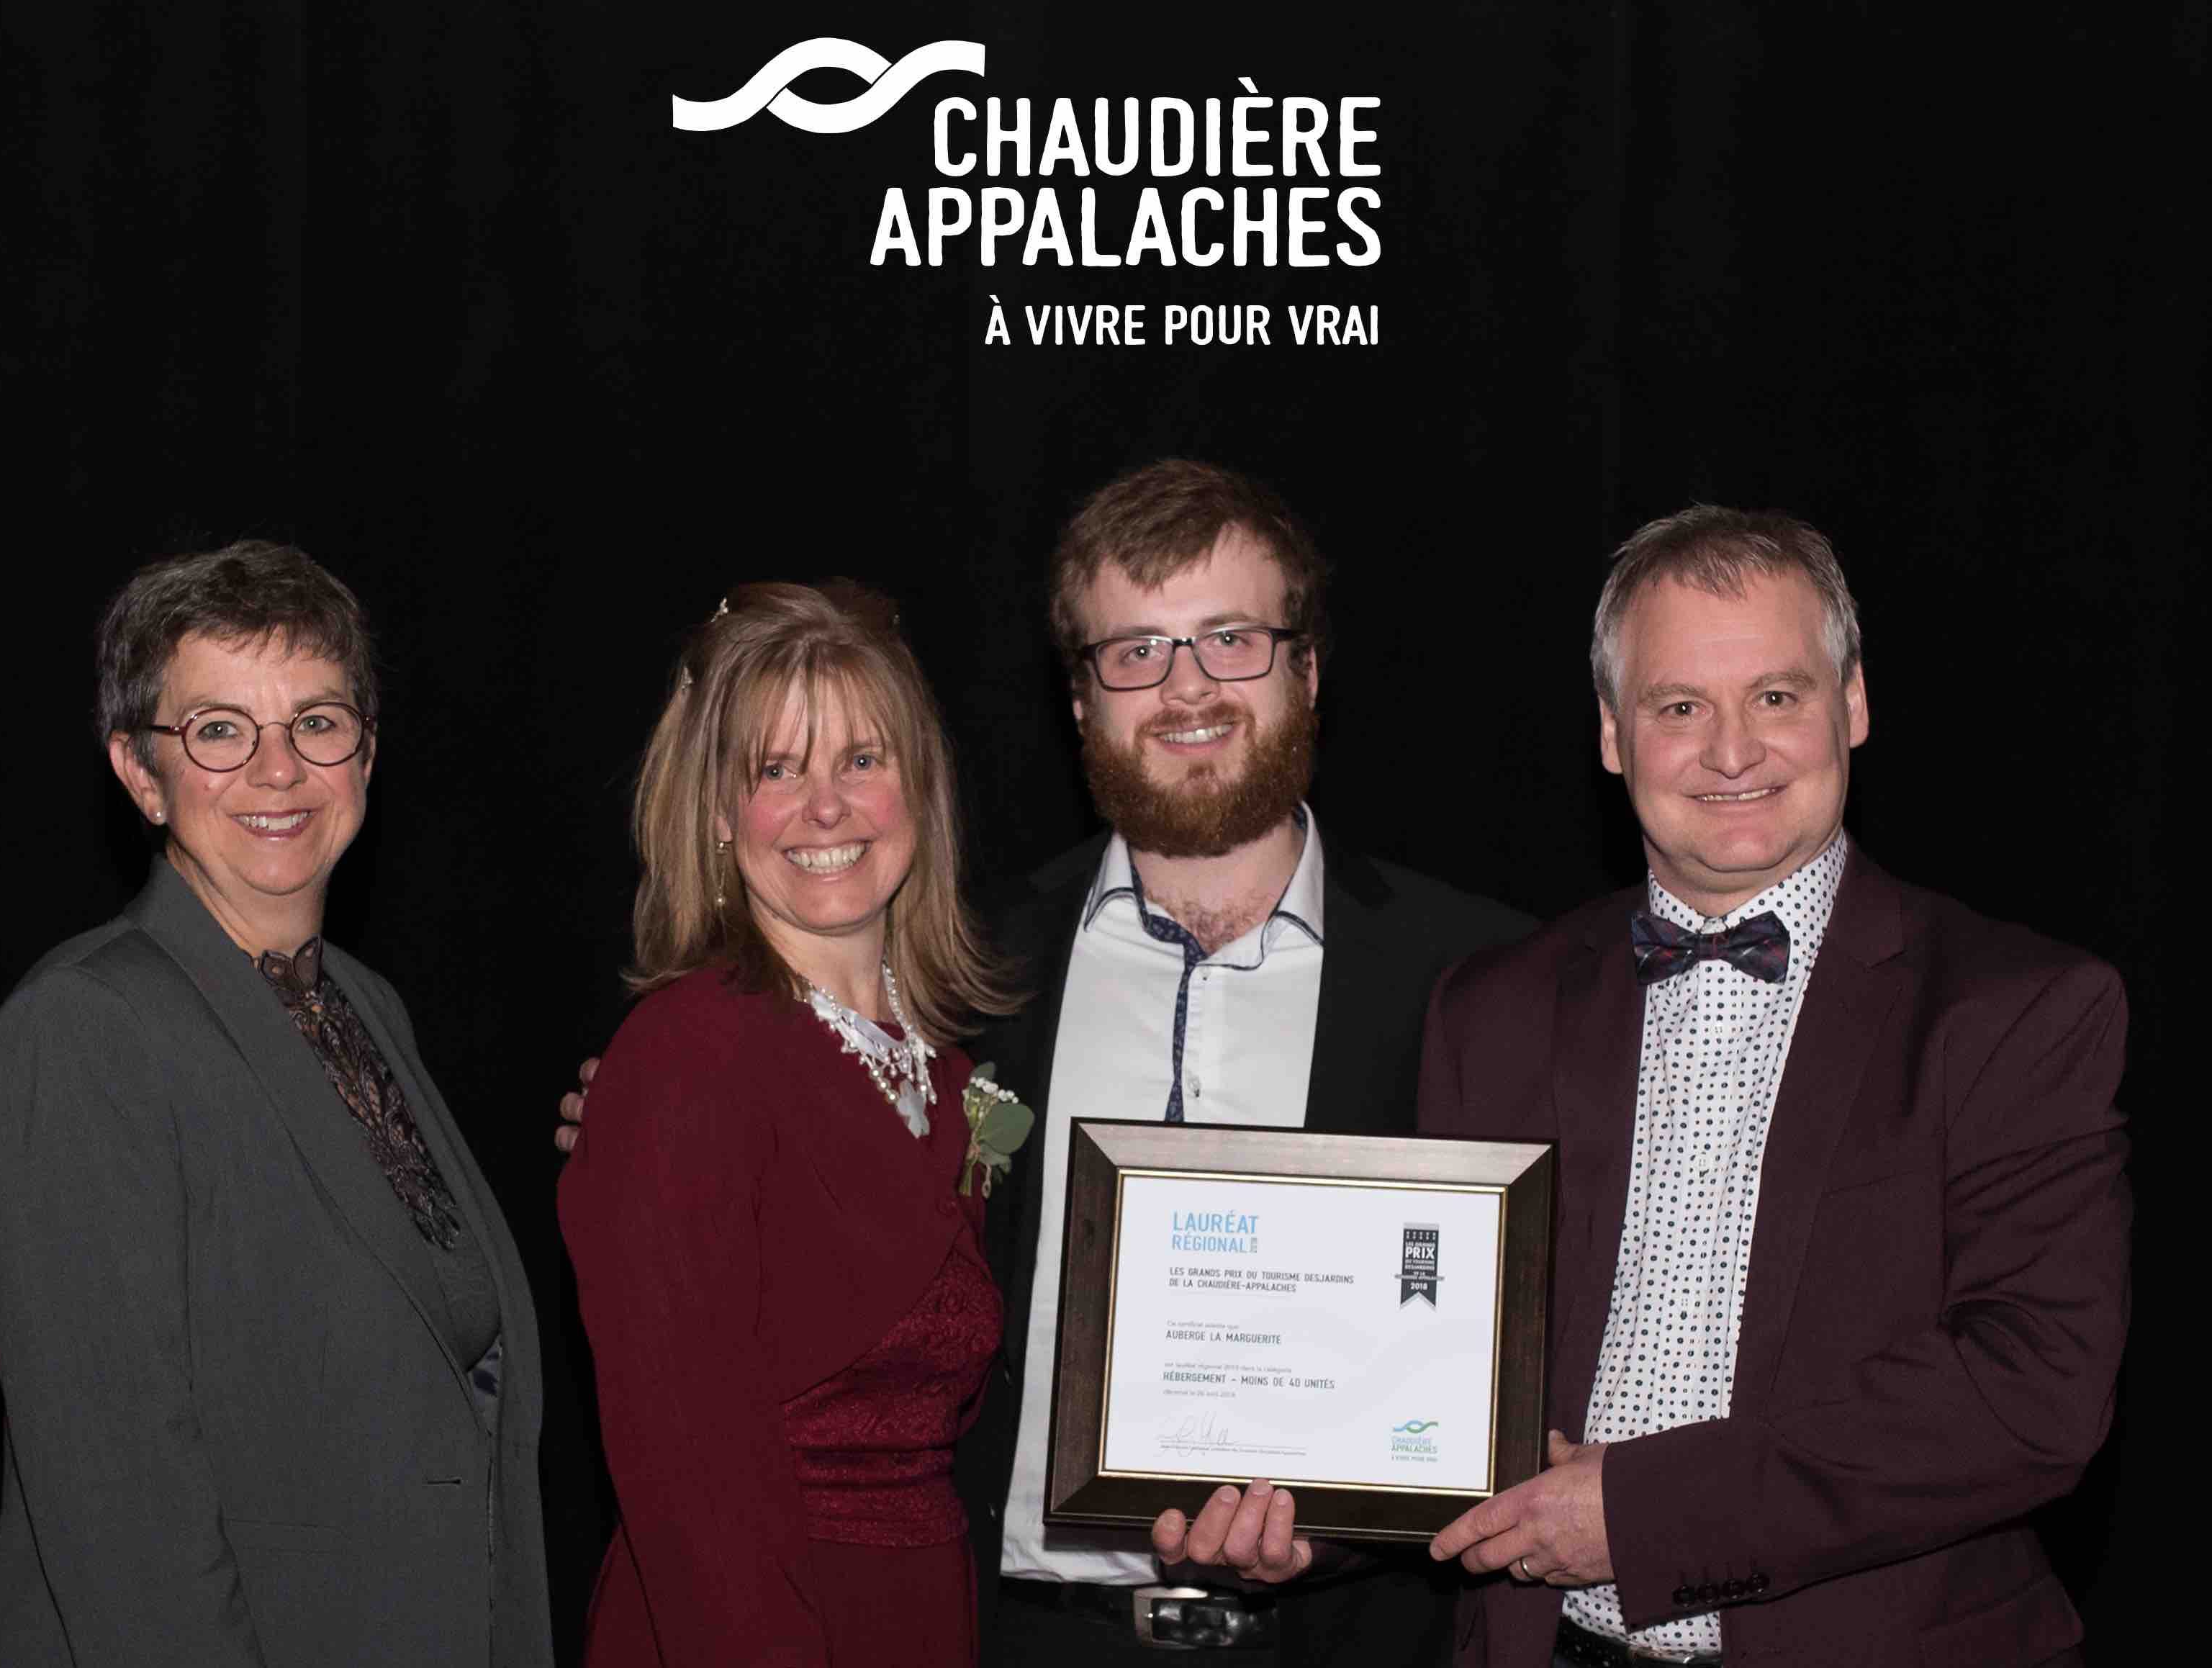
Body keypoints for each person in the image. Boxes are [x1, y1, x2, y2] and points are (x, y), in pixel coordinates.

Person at [560, 462, 1533, 1663]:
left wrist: (1343, 1526)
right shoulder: (983, 976)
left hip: (1333, 1641)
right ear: (1079, 699)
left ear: (1309, 670)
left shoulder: (1473, 979)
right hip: (1007, 1637)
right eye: (1136, 651)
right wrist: (641, 1124)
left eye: (1231, 639)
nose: (1186, 687)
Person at [1173, 507, 2132, 1667]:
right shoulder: (1493, 1005)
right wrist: (1309, 1521)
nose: (1732, 751)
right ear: (1612, 734)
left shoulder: (2016, 1010)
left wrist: (1639, 1515)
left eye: (1775, 695)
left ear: (1853, 705)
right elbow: (1431, 1367)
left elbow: (2031, 1392)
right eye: (1680, 707)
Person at [0, 541, 551, 1667]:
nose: (278, 769)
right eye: (220, 730)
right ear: (142, 772)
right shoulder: (82, 1031)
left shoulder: (365, 1006)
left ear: (365, 752)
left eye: (315, 722)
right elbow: (125, 1508)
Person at [556, 581, 1021, 1667]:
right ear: (720, 813)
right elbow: (690, 1484)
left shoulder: (963, 1082)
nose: (826, 807)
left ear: (920, 787)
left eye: (861, 759)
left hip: (923, 1618)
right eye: (777, 770)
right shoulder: (684, 1055)